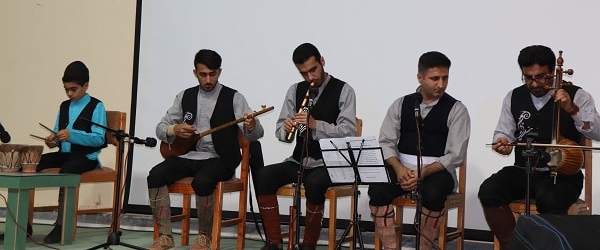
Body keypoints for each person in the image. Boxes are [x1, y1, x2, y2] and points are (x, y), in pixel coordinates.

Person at [478, 45, 600, 249]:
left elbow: (597, 133)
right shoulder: (514, 96)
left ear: (553, 72)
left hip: (562, 174)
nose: (534, 83)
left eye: (541, 77)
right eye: (528, 78)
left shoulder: (578, 95)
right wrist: (502, 142)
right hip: (523, 169)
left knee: (550, 199)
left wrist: (572, 109)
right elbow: (503, 132)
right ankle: (514, 245)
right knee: (489, 190)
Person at [147, 49, 264, 250]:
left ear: (219, 72)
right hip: (190, 156)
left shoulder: (234, 97)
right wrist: (174, 129)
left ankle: (204, 236)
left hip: (221, 158)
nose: (208, 79)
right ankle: (165, 236)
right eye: (203, 75)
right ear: (195, 73)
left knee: (203, 181)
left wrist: (252, 126)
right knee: (155, 175)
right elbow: (160, 128)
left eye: (213, 74)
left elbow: (256, 135)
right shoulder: (184, 96)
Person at [256, 42, 357, 250]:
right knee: (264, 175)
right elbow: (281, 134)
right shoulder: (295, 90)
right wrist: (286, 128)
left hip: (329, 163)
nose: (310, 77)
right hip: (299, 160)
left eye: (313, 70)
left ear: (322, 62)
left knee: (315, 183)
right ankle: (274, 242)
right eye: (304, 73)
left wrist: (315, 125)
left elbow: (348, 131)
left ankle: (309, 245)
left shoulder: (344, 90)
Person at [368, 51, 471, 250]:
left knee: (433, 193)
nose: (441, 84)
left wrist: (422, 173)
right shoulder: (401, 104)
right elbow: (386, 142)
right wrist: (398, 168)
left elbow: (455, 155)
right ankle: (390, 246)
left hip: (437, 171)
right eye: (435, 78)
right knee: (377, 189)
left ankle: (424, 246)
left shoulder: (457, 109)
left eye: (445, 78)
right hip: (402, 169)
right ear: (420, 77)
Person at [36, 61, 107, 244]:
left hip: (86, 157)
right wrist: (53, 140)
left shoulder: (97, 106)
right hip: (65, 154)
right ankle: (23, 223)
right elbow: (57, 133)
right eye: (66, 89)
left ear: (86, 85)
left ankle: (61, 226)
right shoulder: (64, 106)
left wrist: (72, 135)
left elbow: (99, 138)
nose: (69, 93)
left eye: (73, 89)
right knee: (33, 163)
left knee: (68, 170)